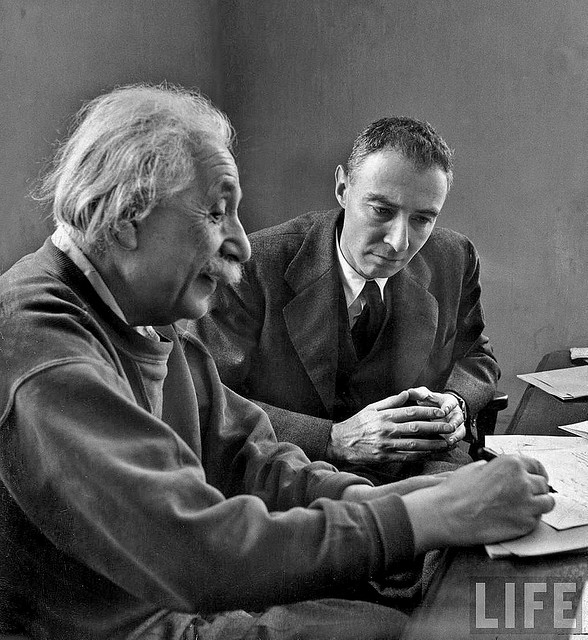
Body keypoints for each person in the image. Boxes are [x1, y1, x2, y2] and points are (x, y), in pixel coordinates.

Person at [0, 84, 553, 640]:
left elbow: (253, 457)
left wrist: (423, 496)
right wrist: (429, 517)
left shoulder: (142, 313)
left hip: (181, 606)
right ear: (126, 219)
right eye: (216, 213)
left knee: (416, 624)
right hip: (127, 626)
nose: (240, 244)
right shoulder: (44, 349)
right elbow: (197, 555)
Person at [191, 116, 499, 479]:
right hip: (297, 470)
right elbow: (209, 397)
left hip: (421, 468)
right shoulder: (252, 266)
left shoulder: (454, 257)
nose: (399, 242)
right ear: (342, 188)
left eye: (422, 219)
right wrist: (332, 438)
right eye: (382, 211)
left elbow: (475, 355)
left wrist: (457, 403)